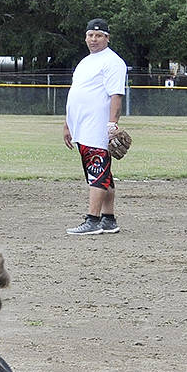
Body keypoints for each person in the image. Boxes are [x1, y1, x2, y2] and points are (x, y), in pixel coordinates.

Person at [63, 18, 128, 236]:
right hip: (82, 126)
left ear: (107, 38)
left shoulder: (112, 61)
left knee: (97, 172)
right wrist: (68, 124)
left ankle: (92, 219)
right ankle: (108, 219)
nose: (94, 39)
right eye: (90, 35)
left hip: (97, 126)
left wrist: (112, 124)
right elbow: (76, 95)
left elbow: (116, 95)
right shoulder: (85, 61)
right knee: (103, 173)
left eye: (99, 35)